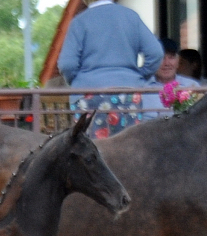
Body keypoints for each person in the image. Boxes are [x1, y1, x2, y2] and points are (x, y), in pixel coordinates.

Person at [57, 0, 163, 138]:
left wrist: (79, 82)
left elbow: (67, 64)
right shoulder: (131, 17)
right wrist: (138, 76)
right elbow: (156, 53)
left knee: (92, 150)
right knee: (128, 145)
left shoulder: (79, 22)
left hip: (89, 94)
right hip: (128, 93)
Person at [142, 38, 201, 119]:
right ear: (154, 62)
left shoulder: (192, 85)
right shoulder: (142, 88)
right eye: (161, 58)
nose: (166, 63)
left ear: (178, 62)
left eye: (171, 57)